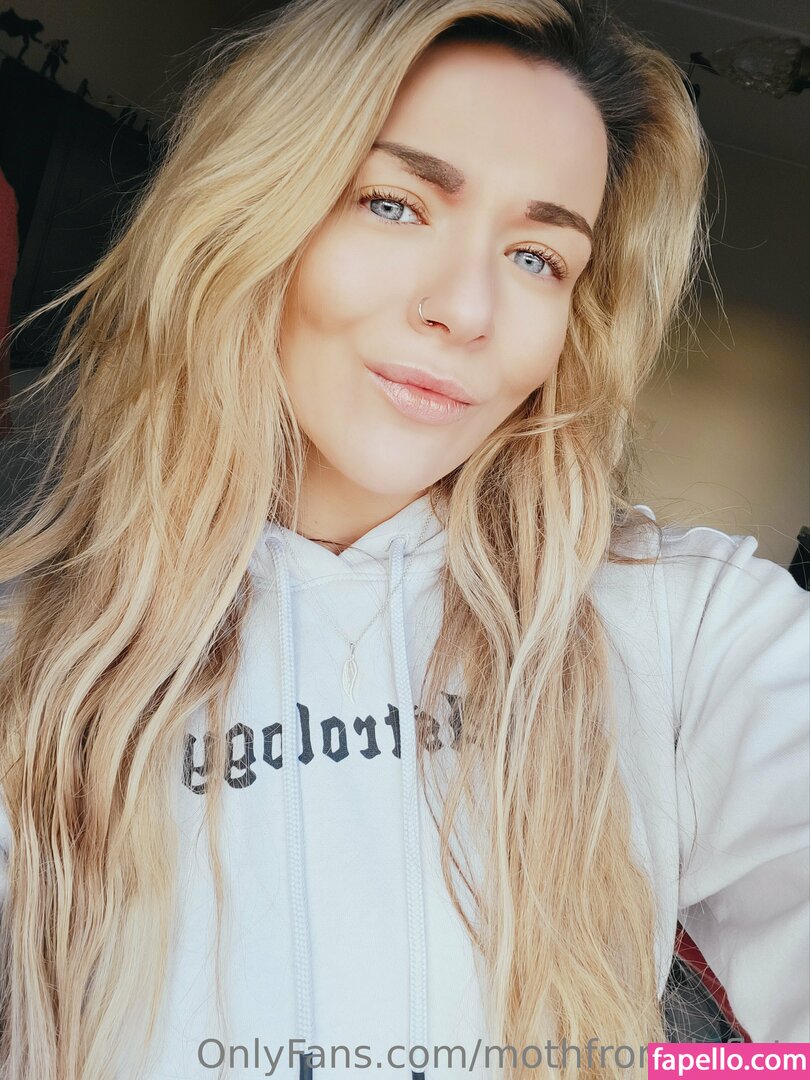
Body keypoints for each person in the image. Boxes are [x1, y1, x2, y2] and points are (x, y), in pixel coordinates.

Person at [0, 1, 807, 1078]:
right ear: (254, 209)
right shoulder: (32, 652)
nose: (467, 309)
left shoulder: (686, 628)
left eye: (536, 256)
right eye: (394, 204)